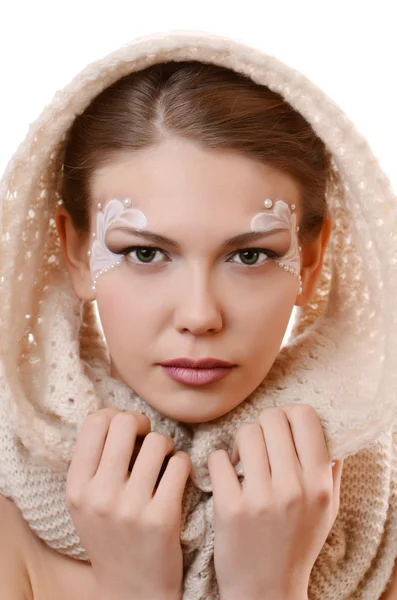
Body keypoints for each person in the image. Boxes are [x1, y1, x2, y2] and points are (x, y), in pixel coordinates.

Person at [0, 30, 396, 600]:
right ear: (77, 253)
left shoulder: (379, 508)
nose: (200, 315)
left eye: (251, 255)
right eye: (145, 253)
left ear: (310, 263)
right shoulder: (13, 505)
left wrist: (270, 586)